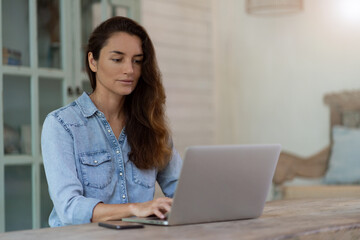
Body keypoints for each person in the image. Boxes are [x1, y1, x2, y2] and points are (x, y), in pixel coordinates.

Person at [41, 16, 182, 227]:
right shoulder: (62, 125)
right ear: (93, 61)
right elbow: (69, 208)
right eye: (117, 59)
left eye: (137, 60)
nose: (130, 70)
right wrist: (135, 208)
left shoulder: (150, 124)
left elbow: (181, 189)